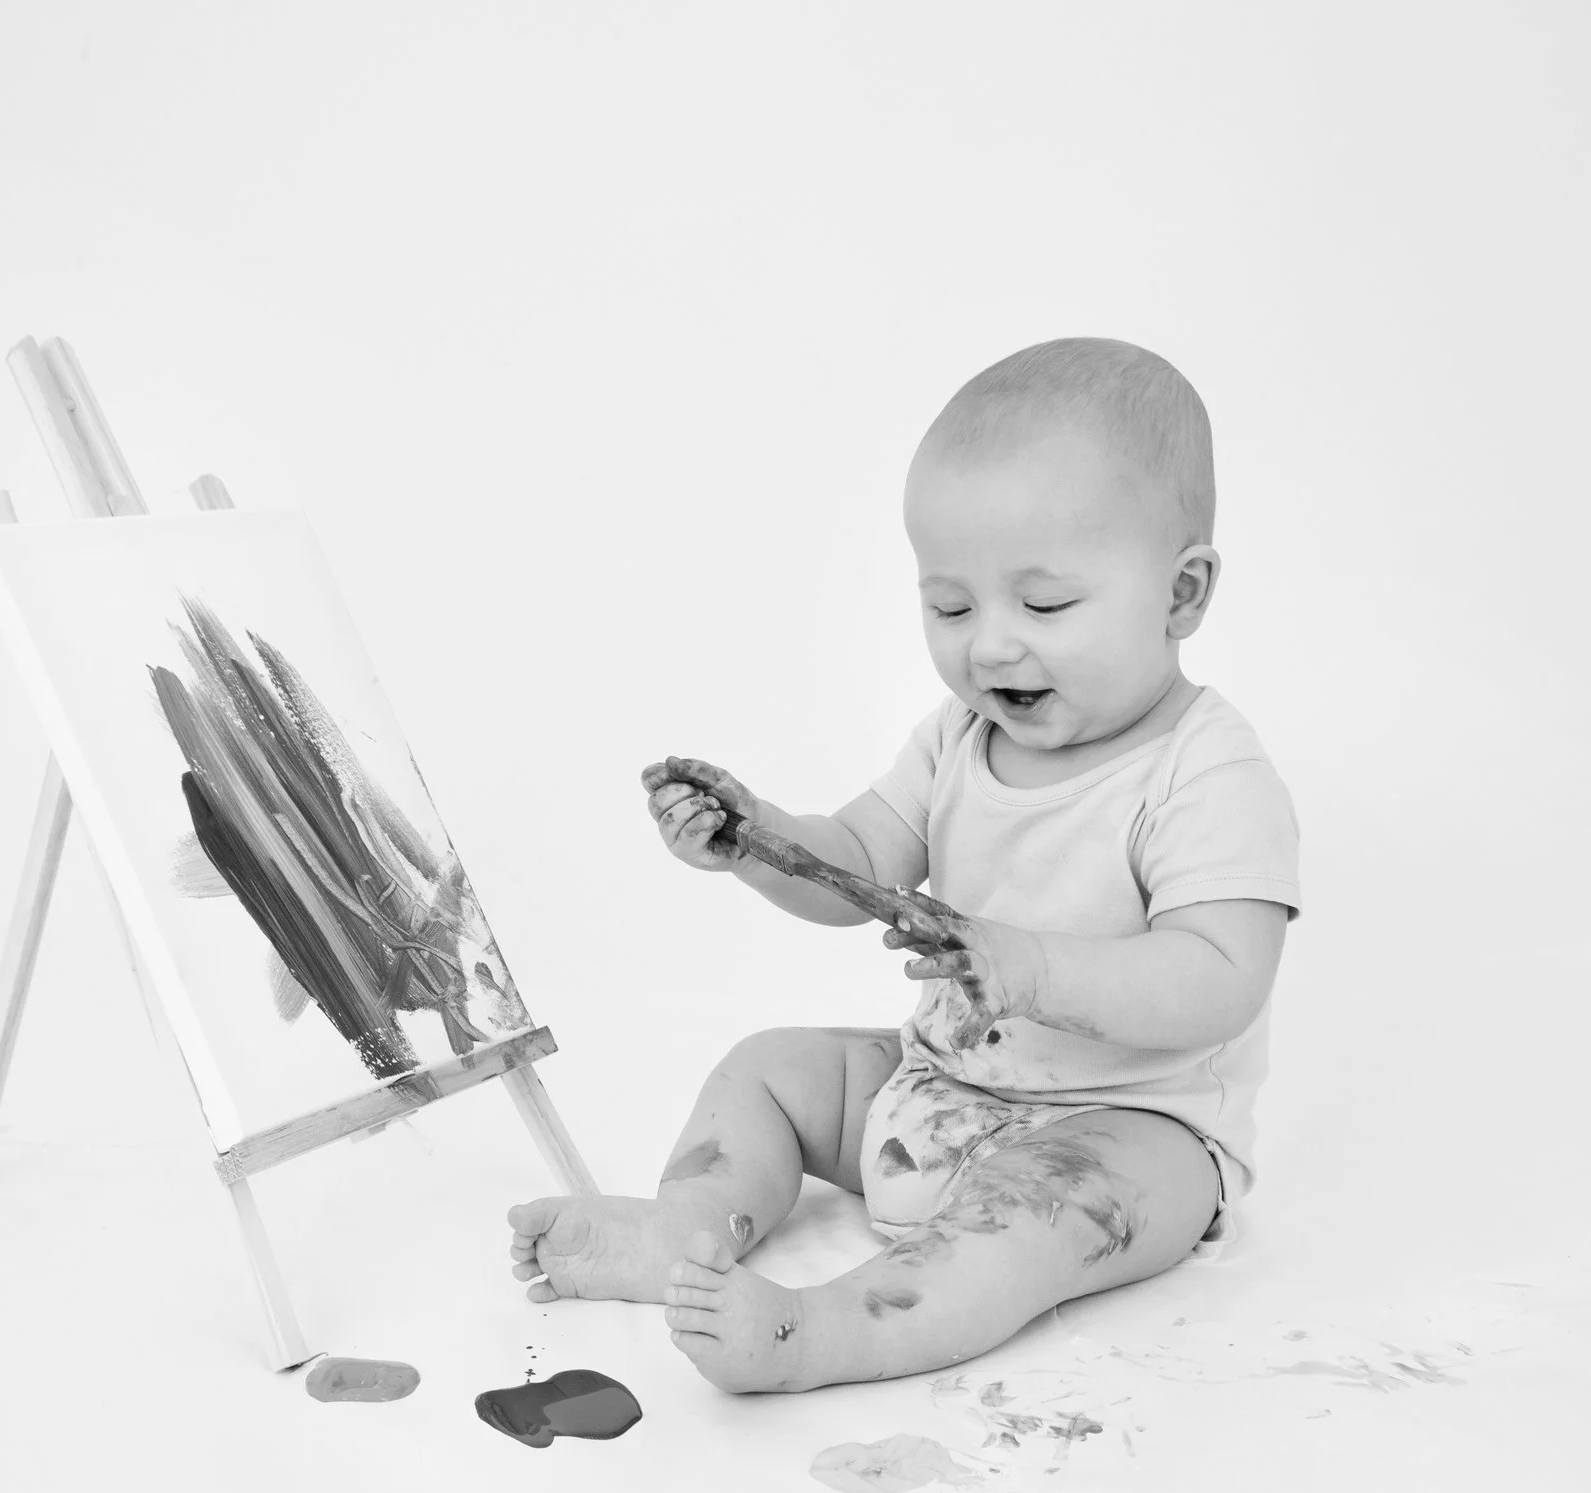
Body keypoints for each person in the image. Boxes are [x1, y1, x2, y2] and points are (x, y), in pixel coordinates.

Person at [507, 338, 1301, 1392]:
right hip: (939, 1084)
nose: (991, 646)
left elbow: (1221, 977)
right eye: (952, 606)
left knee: (1025, 1221)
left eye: (1045, 606)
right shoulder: (957, 739)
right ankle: (687, 1225)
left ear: (1181, 592)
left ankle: (824, 1331)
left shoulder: (1205, 769)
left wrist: (1029, 968)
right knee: (768, 1067)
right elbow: (857, 859)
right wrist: (757, 841)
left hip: (1129, 1130)